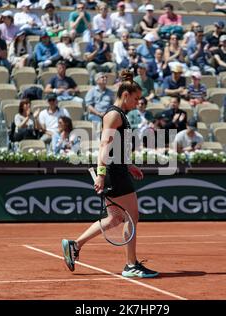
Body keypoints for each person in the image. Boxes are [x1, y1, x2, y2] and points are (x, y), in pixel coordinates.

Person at [61, 69, 159, 278]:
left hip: (118, 169)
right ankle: (131, 265)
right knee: (132, 216)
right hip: (113, 172)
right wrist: (102, 174)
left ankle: (74, 245)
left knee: (115, 218)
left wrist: (129, 164)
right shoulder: (114, 115)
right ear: (125, 95)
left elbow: (118, 146)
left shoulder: (120, 115)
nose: (137, 103)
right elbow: (105, 145)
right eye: (136, 99)